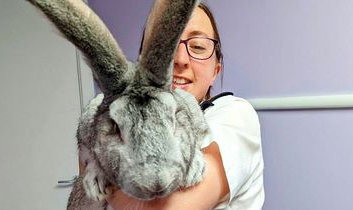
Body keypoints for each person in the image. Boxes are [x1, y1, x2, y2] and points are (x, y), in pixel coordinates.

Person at [106, 2, 264, 210]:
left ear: (215, 71)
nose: (180, 59)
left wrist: (106, 182)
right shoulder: (118, 119)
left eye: (197, 46)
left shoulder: (235, 115)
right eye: (164, 46)